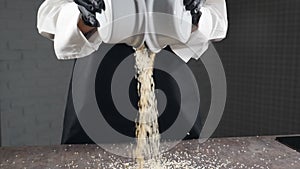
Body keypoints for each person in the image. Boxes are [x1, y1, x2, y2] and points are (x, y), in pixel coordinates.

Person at [37, 0, 228, 144]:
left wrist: (196, 16)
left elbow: (219, 20)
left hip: (170, 66)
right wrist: (86, 17)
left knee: (184, 153)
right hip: (97, 70)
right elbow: (47, 17)